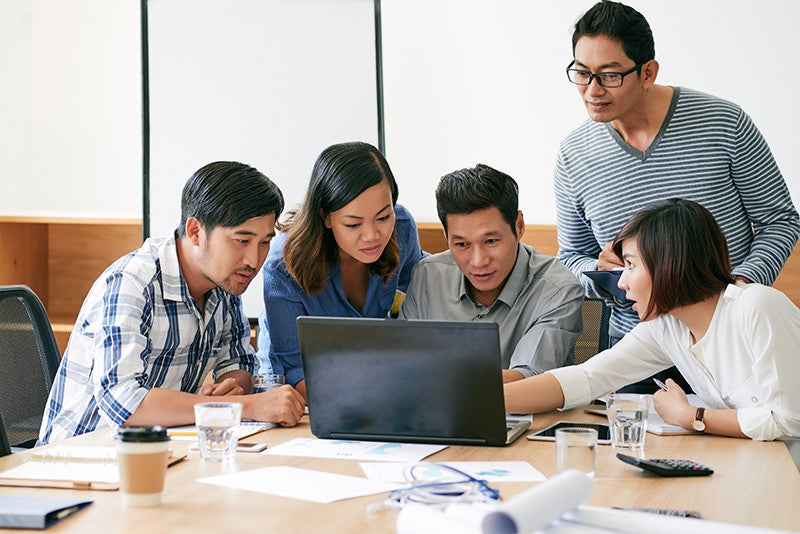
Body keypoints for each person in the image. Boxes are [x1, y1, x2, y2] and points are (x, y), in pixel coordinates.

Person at [554, 1, 800, 392]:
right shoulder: (573, 155)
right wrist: (602, 273)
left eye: (610, 75)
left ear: (648, 72)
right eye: (581, 73)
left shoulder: (725, 123)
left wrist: (740, 284)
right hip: (636, 351)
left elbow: (781, 220)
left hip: (730, 345)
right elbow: (570, 258)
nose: (592, 90)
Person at [39, 162, 306, 445]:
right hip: (80, 458)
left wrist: (232, 388)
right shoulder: (132, 282)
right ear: (194, 231)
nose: (254, 260)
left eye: (264, 243)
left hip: (161, 449)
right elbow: (124, 402)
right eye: (242, 240)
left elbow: (238, 363)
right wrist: (243, 407)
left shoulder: (225, 282)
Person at [505, 199, 800, 441]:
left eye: (631, 265)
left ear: (670, 264)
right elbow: (588, 378)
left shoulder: (757, 307)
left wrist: (692, 417)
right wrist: (476, 398)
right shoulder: (666, 326)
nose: (621, 283)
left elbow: (789, 420)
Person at [259, 141, 424, 399]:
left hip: (371, 377)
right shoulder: (283, 264)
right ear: (325, 217)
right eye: (353, 224)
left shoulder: (401, 228)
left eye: (383, 217)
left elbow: (425, 288)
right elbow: (294, 369)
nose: (372, 236)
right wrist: (363, 399)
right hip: (302, 393)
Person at [400, 164, 583, 382]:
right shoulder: (427, 276)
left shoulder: (558, 289)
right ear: (446, 236)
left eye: (491, 241)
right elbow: (403, 363)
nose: (478, 261)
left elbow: (527, 380)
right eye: (461, 244)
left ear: (519, 226)